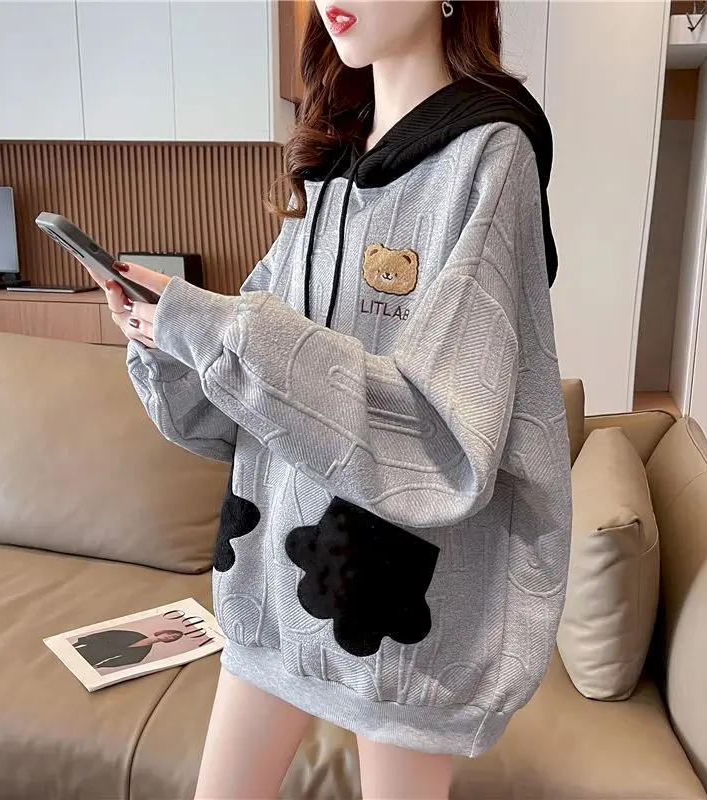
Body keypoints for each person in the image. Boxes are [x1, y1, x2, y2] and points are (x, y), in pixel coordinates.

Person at [91, 1, 572, 797]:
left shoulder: (490, 154)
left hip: (400, 616)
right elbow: (248, 405)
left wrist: (223, 332)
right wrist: (172, 335)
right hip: (269, 589)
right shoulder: (330, 164)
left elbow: (446, 436)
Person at [72, 628, 183, 669]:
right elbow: (108, 634)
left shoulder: (144, 652)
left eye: (173, 638)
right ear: (164, 632)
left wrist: (100, 665)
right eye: (170, 634)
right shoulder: (135, 635)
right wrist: (81, 641)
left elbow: (121, 661)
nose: (169, 637)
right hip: (86, 647)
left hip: (96, 659)